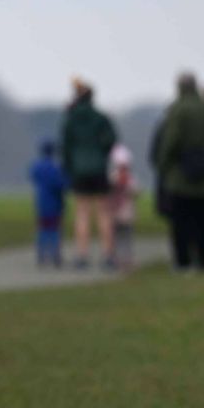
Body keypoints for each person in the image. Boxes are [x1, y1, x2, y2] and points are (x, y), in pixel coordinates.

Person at [155, 72, 204, 270]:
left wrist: (163, 164)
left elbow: (171, 140)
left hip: (180, 174)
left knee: (181, 223)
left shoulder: (178, 109)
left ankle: (183, 261)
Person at [59, 78, 117, 269]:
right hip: (99, 168)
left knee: (82, 212)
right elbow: (111, 140)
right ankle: (108, 255)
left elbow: (65, 147)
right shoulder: (101, 118)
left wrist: (69, 167)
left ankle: (82, 255)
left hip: (79, 169)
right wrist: (101, 155)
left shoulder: (71, 119)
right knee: (104, 212)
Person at [30, 140, 67, 266]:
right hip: (55, 203)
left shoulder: (37, 167)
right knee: (55, 230)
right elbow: (61, 184)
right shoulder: (55, 168)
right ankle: (55, 254)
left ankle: (41, 254)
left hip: (41, 202)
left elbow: (33, 177)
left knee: (42, 229)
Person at [108, 141, 139, 272]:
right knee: (126, 238)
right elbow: (136, 192)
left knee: (117, 238)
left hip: (115, 213)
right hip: (127, 213)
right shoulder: (130, 178)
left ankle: (117, 259)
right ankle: (126, 259)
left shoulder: (113, 177)